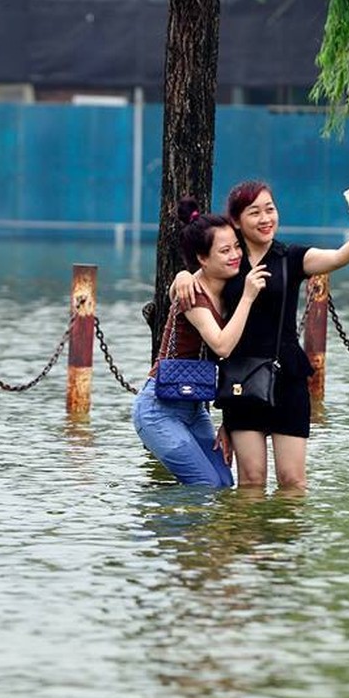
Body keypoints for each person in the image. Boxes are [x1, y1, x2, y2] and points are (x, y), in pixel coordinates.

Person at [171, 179, 349, 489]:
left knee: (292, 481)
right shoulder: (229, 261)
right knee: (252, 481)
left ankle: (286, 537)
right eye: (255, 212)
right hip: (241, 382)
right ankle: (248, 538)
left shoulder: (290, 257)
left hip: (287, 378)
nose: (266, 218)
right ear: (237, 221)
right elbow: (195, 278)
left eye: (270, 209)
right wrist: (182, 274)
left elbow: (337, 258)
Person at [133, 198, 268, 487]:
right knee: (204, 485)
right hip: (159, 409)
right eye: (224, 250)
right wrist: (247, 297)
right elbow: (221, 346)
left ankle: (190, 531)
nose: (235, 255)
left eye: (236, 247)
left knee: (223, 484)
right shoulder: (193, 292)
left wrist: (229, 422)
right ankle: (151, 525)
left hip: (195, 408)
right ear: (203, 259)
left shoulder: (230, 289)